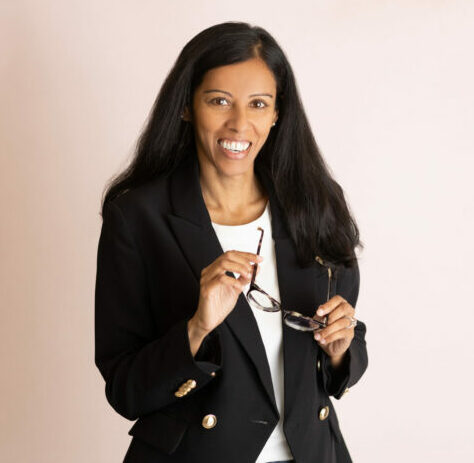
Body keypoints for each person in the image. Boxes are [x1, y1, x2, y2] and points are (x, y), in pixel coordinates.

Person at [94, 21, 368, 463]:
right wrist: (197, 327)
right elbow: (125, 388)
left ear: (278, 113)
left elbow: (349, 336)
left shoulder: (317, 204)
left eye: (259, 104)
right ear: (187, 106)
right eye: (219, 101)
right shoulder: (137, 216)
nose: (240, 124)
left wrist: (340, 350)